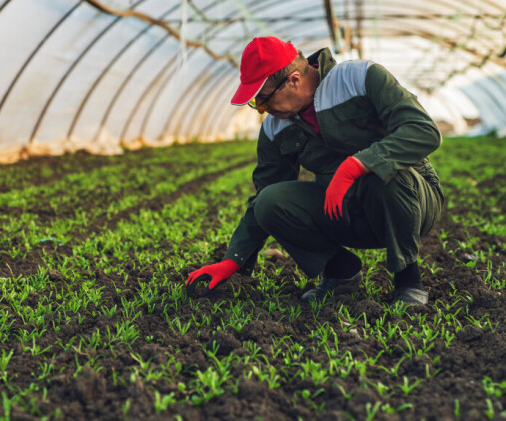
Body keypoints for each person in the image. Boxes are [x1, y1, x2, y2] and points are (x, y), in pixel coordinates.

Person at [185, 36, 444, 305]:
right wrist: (232, 260)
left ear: (294, 80)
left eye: (264, 101)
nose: (263, 111)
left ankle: (408, 281)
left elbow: (423, 131)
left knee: (384, 175)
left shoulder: (359, 78)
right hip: (345, 213)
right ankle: (341, 271)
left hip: (411, 201)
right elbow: (263, 196)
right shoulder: (275, 127)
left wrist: (355, 167)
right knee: (269, 202)